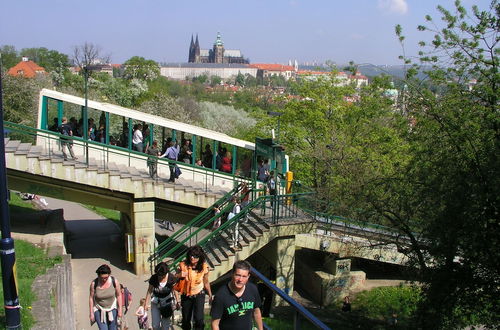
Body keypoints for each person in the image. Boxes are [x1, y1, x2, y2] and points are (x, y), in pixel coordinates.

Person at [210, 260, 263, 330]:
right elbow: (215, 323)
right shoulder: (221, 295)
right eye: (238, 275)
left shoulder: (252, 289)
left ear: (248, 277)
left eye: (244, 276)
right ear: (232, 274)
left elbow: (256, 312)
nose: (240, 279)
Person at [174, 245, 213, 330]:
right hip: (186, 295)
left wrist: (210, 294)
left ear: (200, 257)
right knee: (186, 319)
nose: (192, 258)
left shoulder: (204, 267)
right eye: (191, 255)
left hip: (199, 294)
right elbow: (174, 280)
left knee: (199, 319)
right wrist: (179, 275)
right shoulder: (183, 265)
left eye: (195, 256)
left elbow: (206, 282)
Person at [144, 262, 180, 330]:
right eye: (158, 275)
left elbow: (174, 290)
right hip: (156, 302)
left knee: (165, 326)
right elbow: (149, 291)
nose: (160, 277)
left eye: (161, 275)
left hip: (167, 303)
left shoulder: (171, 278)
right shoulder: (154, 278)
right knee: (155, 326)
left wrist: (178, 301)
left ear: (166, 273)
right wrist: (146, 303)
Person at [89, 264, 123, 330]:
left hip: (112, 308)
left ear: (109, 275)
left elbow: (119, 295)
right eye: (102, 278)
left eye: (106, 278)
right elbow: (91, 298)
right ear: (98, 276)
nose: (104, 280)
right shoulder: (94, 284)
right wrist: (91, 313)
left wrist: (120, 310)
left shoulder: (114, 281)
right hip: (99, 309)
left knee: (112, 329)